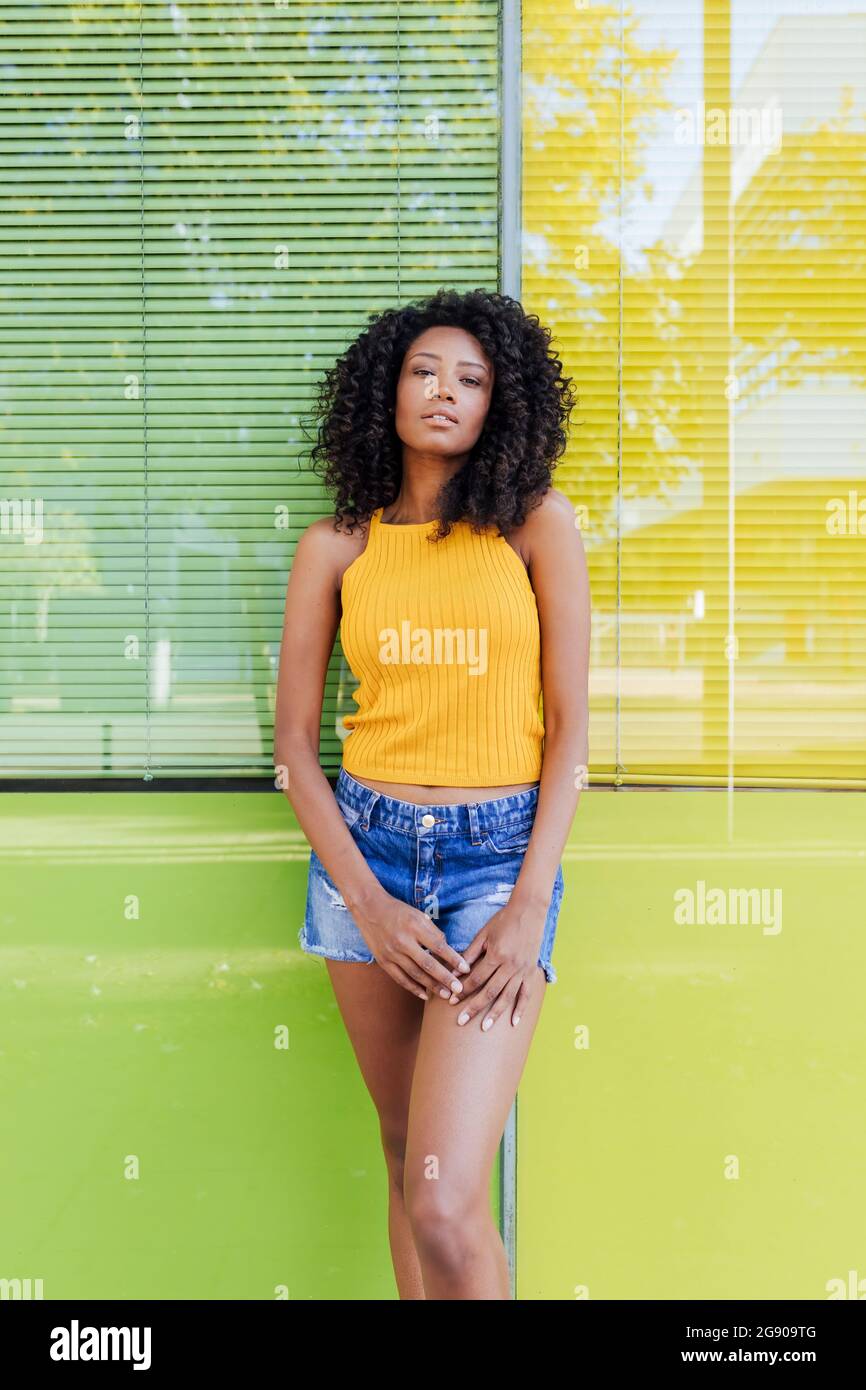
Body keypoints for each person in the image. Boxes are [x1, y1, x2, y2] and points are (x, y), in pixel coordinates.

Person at [274, 287, 590, 1299]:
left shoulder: (535, 527)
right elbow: (290, 743)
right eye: (422, 371)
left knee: (446, 1198)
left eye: (471, 378)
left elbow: (571, 728)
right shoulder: (337, 543)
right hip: (362, 856)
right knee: (406, 1146)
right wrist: (367, 902)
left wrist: (529, 900)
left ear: (502, 403)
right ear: (386, 390)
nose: (444, 392)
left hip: (496, 862)